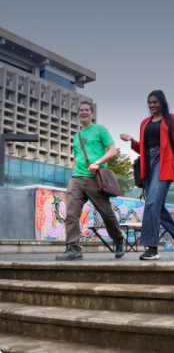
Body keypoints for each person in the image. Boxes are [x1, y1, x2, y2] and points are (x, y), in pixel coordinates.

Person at [120, 90, 174, 260]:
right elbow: (144, 147)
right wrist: (133, 142)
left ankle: (152, 247)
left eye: (155, 102)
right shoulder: (144, 123)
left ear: (162, 102)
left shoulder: (173, 119)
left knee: (152, 202)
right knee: (156, 205)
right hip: (147, 162)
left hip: (164, 163)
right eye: (149, 102)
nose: (152, 105)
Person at [55, 101, 125, 261]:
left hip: (96, 178)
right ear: (78, 114)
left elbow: (112, 151)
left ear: (92, 114)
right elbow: (77, 157)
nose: (84, 112)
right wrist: (72, 176)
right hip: (77, 179)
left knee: (106, 213)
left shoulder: (100, 129)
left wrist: (97, 163)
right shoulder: (76, 136)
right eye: (81, 110)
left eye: (87, 110)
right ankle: (73, 249)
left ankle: (118, 238)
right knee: (71, 214)